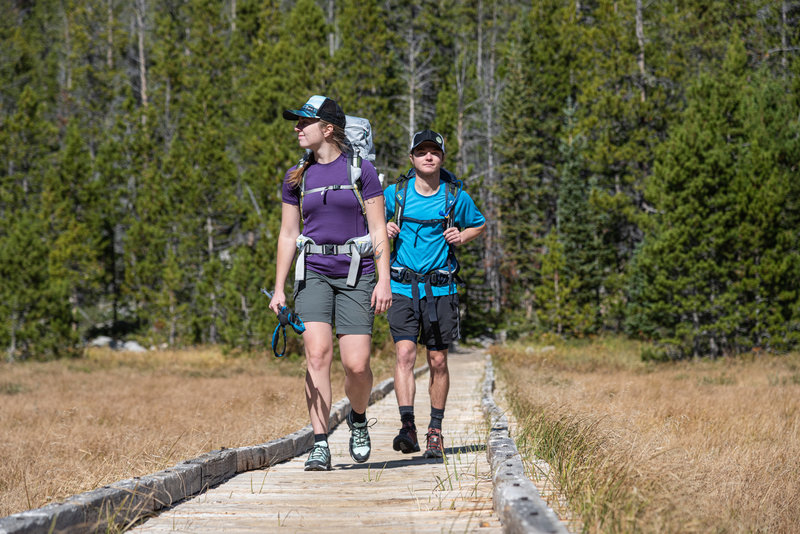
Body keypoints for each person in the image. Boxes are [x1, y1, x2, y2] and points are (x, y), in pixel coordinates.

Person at [270, 95, 392, 471]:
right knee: (317, 355)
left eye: (304, 122)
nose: (296, 128)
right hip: (314, 273)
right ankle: (319, 441)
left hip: (358, 274)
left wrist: (383, 280)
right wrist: (278, 288)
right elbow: (288, 234)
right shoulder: (297, 175)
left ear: (327, 129)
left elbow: (377, 231)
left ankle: (357, 418)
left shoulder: (361, 172)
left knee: (356, 365)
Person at [384, 130, 485, 458]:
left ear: (442, 157)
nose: (428, 157)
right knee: (404, 355)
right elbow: (368, 220)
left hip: (441, 289)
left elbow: (479, 224)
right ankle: (407, 426)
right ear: (411, 158)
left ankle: (435, 431)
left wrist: (462, 235)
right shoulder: (395, 194)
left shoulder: (455, 196)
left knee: (438, 360)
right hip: (401, 286)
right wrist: (383, 227)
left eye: (434, 152)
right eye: (421, 152)